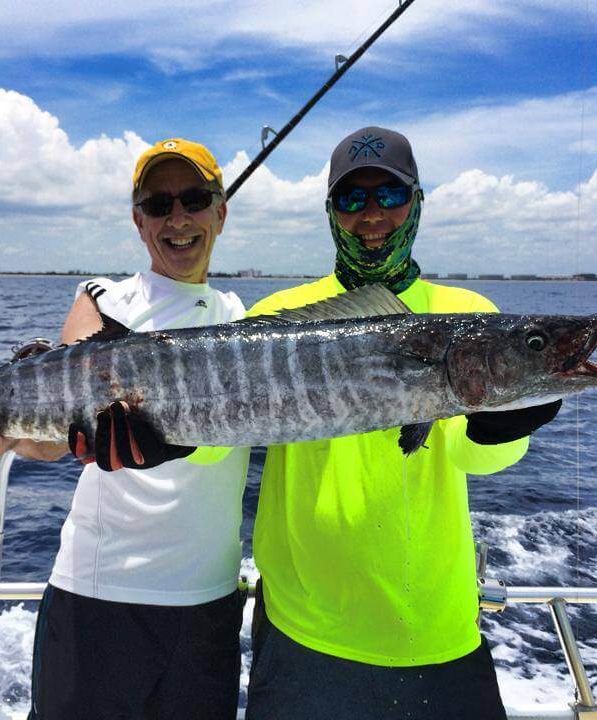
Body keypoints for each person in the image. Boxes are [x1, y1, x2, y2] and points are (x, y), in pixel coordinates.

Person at [0, 138, 250, 720]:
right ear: (138, 221)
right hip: (98, 598)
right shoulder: (101, 298)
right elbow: (58, 433)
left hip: (209, 605)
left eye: (194, 199)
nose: (177, 218)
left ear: (220, 213)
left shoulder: (239, 320)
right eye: (157, 204)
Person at [237, 127, 562, 719]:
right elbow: (220, 439)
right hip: (304, 629)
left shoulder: (471, 316)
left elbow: (480, 458)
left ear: (417, 201)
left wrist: (499, 428)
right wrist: (164, 440)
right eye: (351, 199)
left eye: (389, 196)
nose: (370, 216)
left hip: (435, 629)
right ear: (330, 211)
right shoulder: (273, 320)